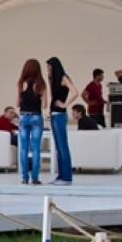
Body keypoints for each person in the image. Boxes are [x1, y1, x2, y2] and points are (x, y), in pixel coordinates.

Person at [46, 56, 79, 186]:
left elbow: (75, 92)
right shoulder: (54, 80)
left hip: (60, 115)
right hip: (54, 115)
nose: (48, 69)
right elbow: (52, 97)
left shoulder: (64, 78)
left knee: (63, 146)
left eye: (49, 67)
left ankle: (67, 177)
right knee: (58, 147)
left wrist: (65, 104)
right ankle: (61, 175)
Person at [17, 58, 46, 186]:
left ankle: (24, 177)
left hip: (23, 117)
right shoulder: (41, 84)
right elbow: (45, 105)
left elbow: (17, 103)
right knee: (36, 149)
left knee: (23, 148)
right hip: (36, 117)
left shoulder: (21, 83)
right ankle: (35, 178)